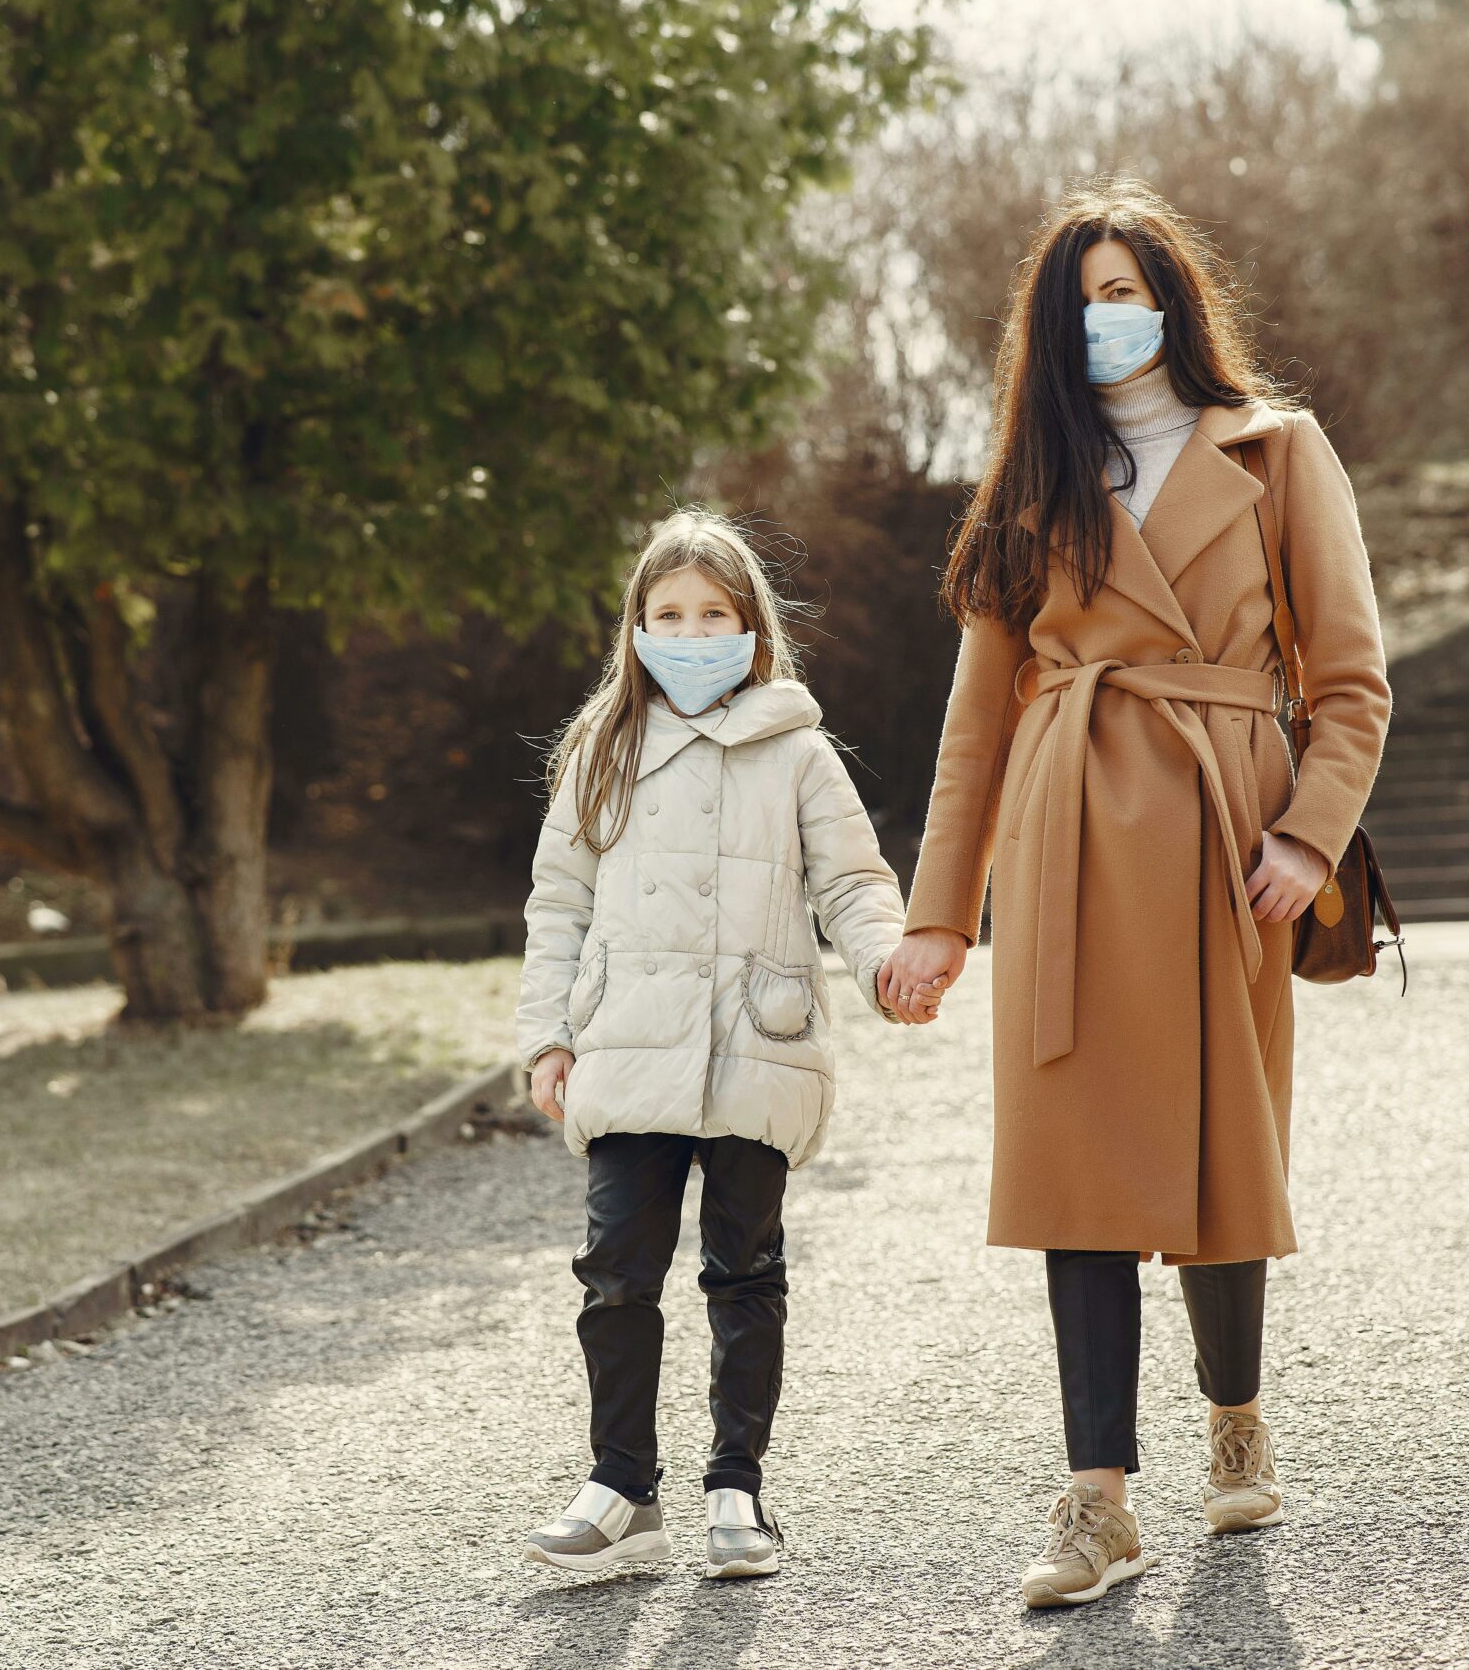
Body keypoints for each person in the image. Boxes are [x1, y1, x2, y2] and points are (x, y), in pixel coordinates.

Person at [876, 175, 1391, 1610]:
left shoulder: (1279, 452)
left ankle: (1236, 1410)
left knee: (1227, 1136)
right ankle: (1096, 1496)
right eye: (1079, 299)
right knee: (1074, 1157)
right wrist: (937, 913)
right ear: (1047, 330)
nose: (1105, 318)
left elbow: (1350, 680)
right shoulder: (1028, 487)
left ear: (1174, 299)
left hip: (1227, 838)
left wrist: (1310, 833)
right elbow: (975, 721)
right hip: (1065, 838)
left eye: (1125, 289)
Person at [515, 508, 939, 1580]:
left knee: (742, 1271)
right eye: (670, 615)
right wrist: (547, 1036)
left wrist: (886, 961)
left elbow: (851, 880)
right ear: (636, 629)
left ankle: (736, 1487)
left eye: (714, 615)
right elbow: (557, 902)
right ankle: (620, 1486)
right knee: (615, 1269)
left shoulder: (797, 753)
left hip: (759, 1040)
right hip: (626, 1047)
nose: (692, 633)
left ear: (752, 631)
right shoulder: (600, 753)